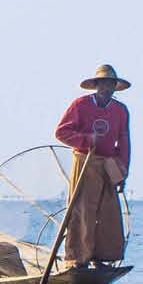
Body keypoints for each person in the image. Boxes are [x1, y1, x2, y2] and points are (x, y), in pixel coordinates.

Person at [55, 64, 131, 267]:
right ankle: (78, 258)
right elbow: (62, 132)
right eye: (103, 83)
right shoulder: (80, 105)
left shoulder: (120, 110)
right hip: (85, 162)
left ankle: (102, 257)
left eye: (111, 84)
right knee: (82, 210)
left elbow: (124, 142)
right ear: (96, 85)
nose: (107, 88)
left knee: (108, 210)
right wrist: (87, 140)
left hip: (109, 164)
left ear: (115, 87)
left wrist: (123, 171)